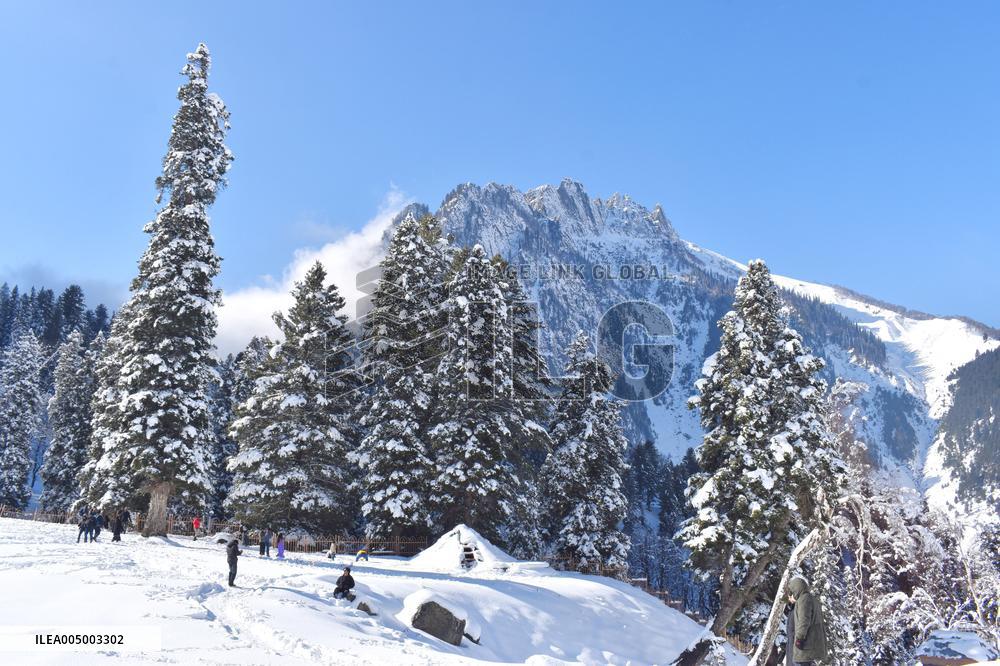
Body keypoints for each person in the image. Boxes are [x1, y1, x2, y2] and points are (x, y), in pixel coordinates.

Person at [785, 576, 828, 666]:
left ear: (796, 589)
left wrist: (799, 639)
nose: (791, 596)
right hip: (807, 646)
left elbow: (804, 620)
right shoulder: (808, 599)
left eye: (792, 592)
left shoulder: (804, 599)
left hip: (804, 647)